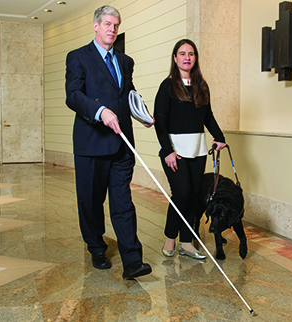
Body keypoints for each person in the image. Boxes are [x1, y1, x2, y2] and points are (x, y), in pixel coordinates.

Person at [65, 5, 153, 280]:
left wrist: (142, 114)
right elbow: (73, 95)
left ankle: (132, 260)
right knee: (91, 201)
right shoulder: (78, 57)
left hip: (121, 144)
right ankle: (96, 247)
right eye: (107, 24)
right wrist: (99, 111)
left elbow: (128, 94)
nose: (112, 29)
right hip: (91, 143)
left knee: (123, 201)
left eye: (116, 25)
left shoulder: (125, 62)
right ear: (95, 25)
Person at [154, 39, 226, 260]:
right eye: (182, 53)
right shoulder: (167, 86)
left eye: (191, 54)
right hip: (174, 150)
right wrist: (167, 151)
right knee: (182, 193)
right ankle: (170, 237)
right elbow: (160, 121)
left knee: (194, 196)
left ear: (195, 58)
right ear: (175, 58)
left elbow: (208, 116)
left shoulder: (201, 86)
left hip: (198, 149)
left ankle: (187, 242)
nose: (187, 57)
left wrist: (220, 136)